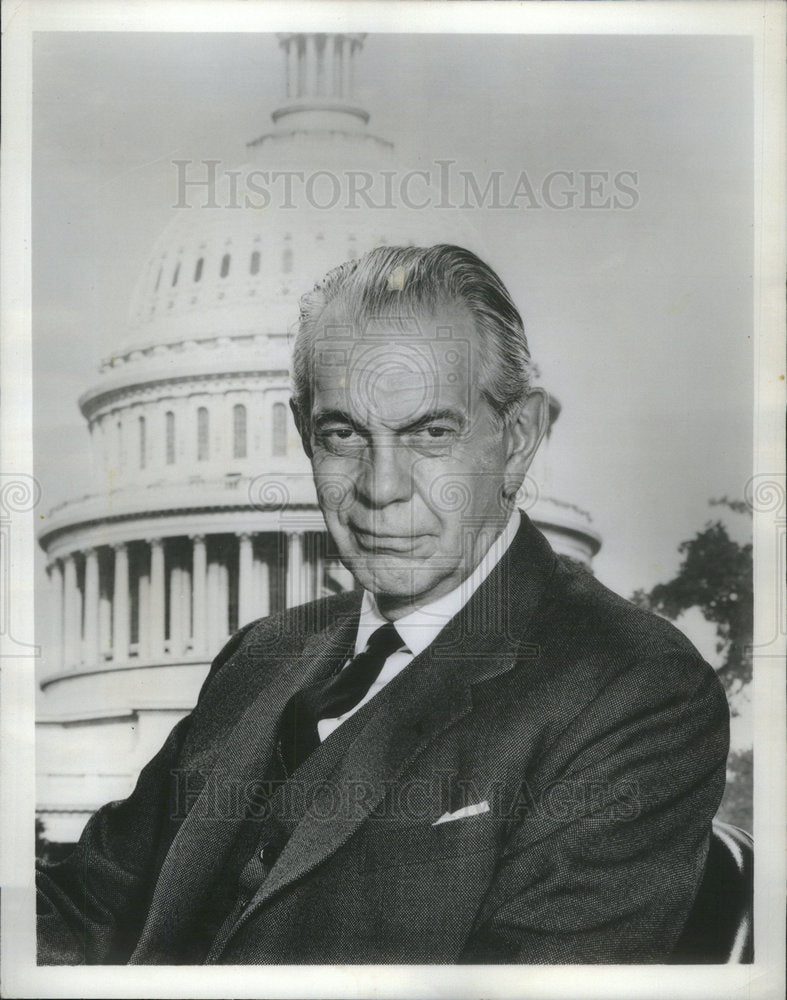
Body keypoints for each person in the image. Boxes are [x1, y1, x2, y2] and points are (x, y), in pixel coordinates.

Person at [37, 244, 729, 964]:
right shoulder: (261, 656)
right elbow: (85, 908)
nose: (381, 486)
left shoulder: (633, 690)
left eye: (431, 433)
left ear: (517, 439)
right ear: (304, 434)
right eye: (342, 435)